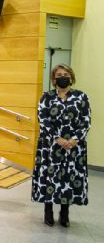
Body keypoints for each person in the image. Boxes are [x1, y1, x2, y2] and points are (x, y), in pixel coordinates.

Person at [32, 64, 90, 228]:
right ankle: (48, 211)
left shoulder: (81, 97)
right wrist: (56, 138)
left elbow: (86, 121)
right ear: (53, 78)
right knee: (50, 178)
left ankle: (64, 213)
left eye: (65, 74)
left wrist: (74, 139)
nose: (62, 77)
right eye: (58, 74)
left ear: (71, 76)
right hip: (50, 146)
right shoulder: (47, 97)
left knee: (68, 179)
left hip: (74, 147)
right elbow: (43, 119)